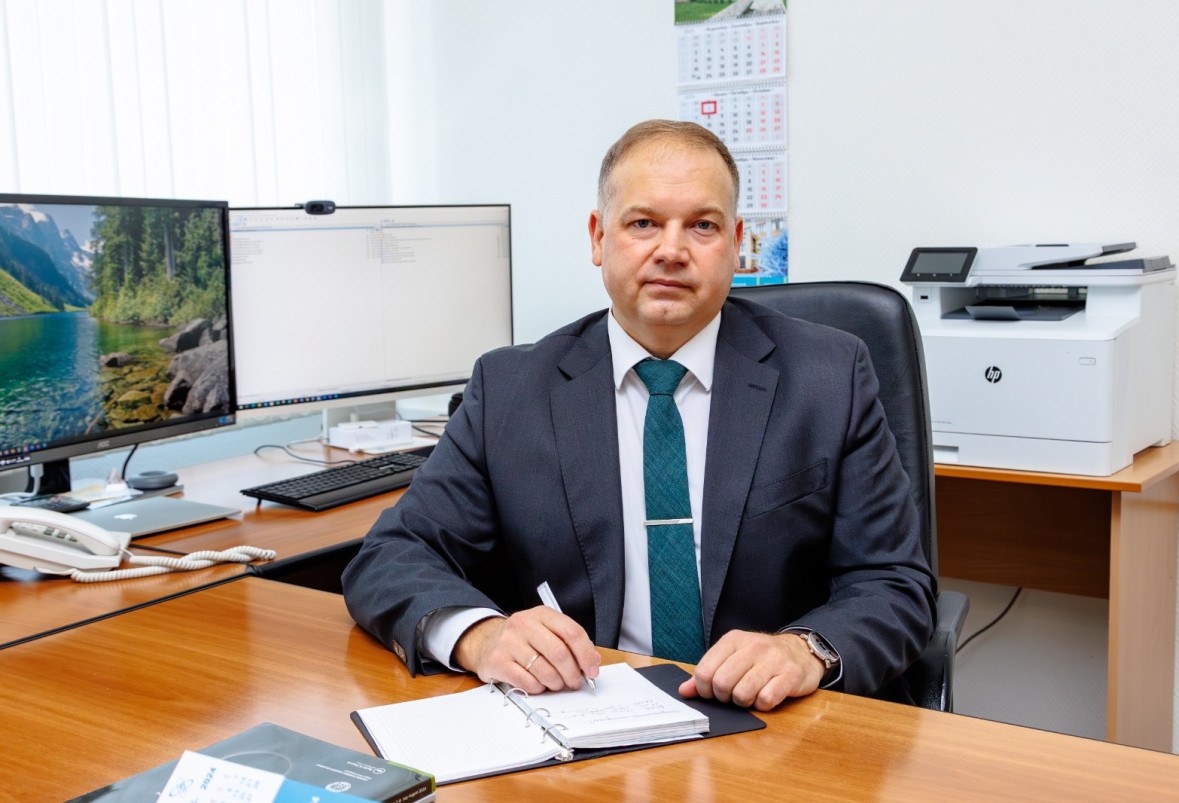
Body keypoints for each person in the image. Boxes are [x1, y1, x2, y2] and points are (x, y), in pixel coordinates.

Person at [342, 119, 935, 711]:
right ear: (599, 237)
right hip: (585, 712)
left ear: (735, 243)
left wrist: (805, 650)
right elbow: (392, 556)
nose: (671, 251)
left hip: (772, 720)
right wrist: (480, 636)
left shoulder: (829, 377)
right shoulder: (510, 389)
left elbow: (894, 584)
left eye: (702, 226)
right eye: (643, 223)